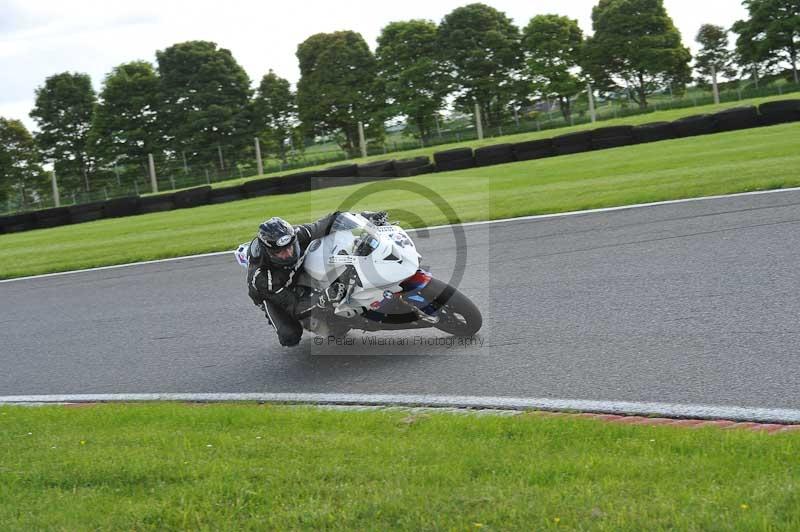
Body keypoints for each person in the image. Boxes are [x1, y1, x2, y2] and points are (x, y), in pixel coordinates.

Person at [246, 211, 387, 347]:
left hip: (295, 271)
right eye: (280, 252)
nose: (288, 254)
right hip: (274, 294)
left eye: (290, 247)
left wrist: (367, 217)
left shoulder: (297, 234)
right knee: (290, 336)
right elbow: (294, 306)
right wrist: (322, 299)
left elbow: (331, 221)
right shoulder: (263, 278)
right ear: (268, 252)